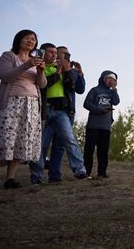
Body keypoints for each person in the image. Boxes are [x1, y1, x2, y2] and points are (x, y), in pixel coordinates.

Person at [0, 30, 46, 191]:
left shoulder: (34, 61)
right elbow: (4, 76)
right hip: (11, 103)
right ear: (19, 40)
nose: (31, 41)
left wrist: (40, 71)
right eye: (27, 38)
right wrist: (26, 65)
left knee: (20, 140)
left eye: (34, 39)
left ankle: (11, 178)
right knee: (3, 138)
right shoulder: (9, 56)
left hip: (30, 105)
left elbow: (42, 84)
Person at [29, 43, 88, 184]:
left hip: (61, 111)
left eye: (58, 53)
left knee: (69, 139)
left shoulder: (63, 69)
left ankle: (79, 170)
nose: (56, 55)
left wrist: (68, 72)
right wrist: (58, 72)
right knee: (41, 144)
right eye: (53, 53)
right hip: (43, 110)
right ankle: (36, 177)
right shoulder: (40, 68)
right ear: (44, 53)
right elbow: (43, 85)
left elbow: (73, 87)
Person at [43, 46, 86, 181]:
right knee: (44, 142)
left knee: (60, 144)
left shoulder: (71, 70)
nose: (65, 56)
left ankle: (54, 175)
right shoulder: (49, 67)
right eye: (62, 53)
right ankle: (45, 170)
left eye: (68, 54)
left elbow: (80, 89)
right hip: (49, 108)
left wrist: (80, 73)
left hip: (68, 111)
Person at [83, 71, 120, 178]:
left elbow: (116, 101)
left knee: (103, 150)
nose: (111, 81)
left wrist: (114, 89)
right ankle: (86, 171)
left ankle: (102, 172)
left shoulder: (112, 92)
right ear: (103, 79)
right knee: (89, 149)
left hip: (105, 126)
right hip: (93, 125)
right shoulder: (95, 90)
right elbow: (86, 104)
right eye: (109, 79)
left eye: (113, 80)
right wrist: (99, 109)